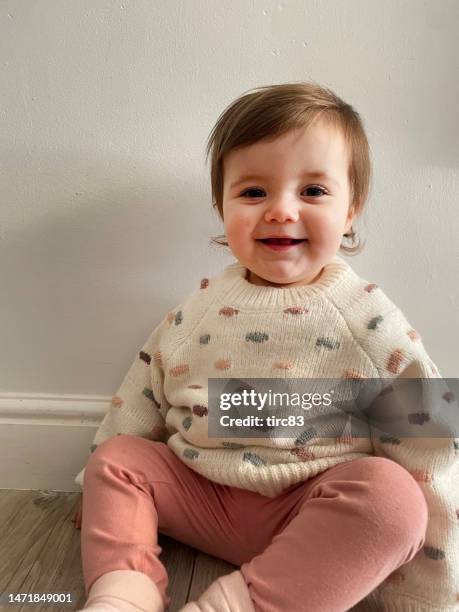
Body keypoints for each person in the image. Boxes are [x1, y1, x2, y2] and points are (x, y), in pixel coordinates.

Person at [73, 81, 458, 612]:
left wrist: (434, 570)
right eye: (254, 192)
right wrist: (98, 493)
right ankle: (123, 592)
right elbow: (143, 393)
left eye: (313, 192)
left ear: (352, 209)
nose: (280, 210)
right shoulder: (198, 309)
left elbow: (428, 443)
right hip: (205, 497)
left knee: (393, 496)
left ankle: (239, 603)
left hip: (313, 511)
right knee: (116, 459)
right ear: (222, 204)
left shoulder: (368, 319)